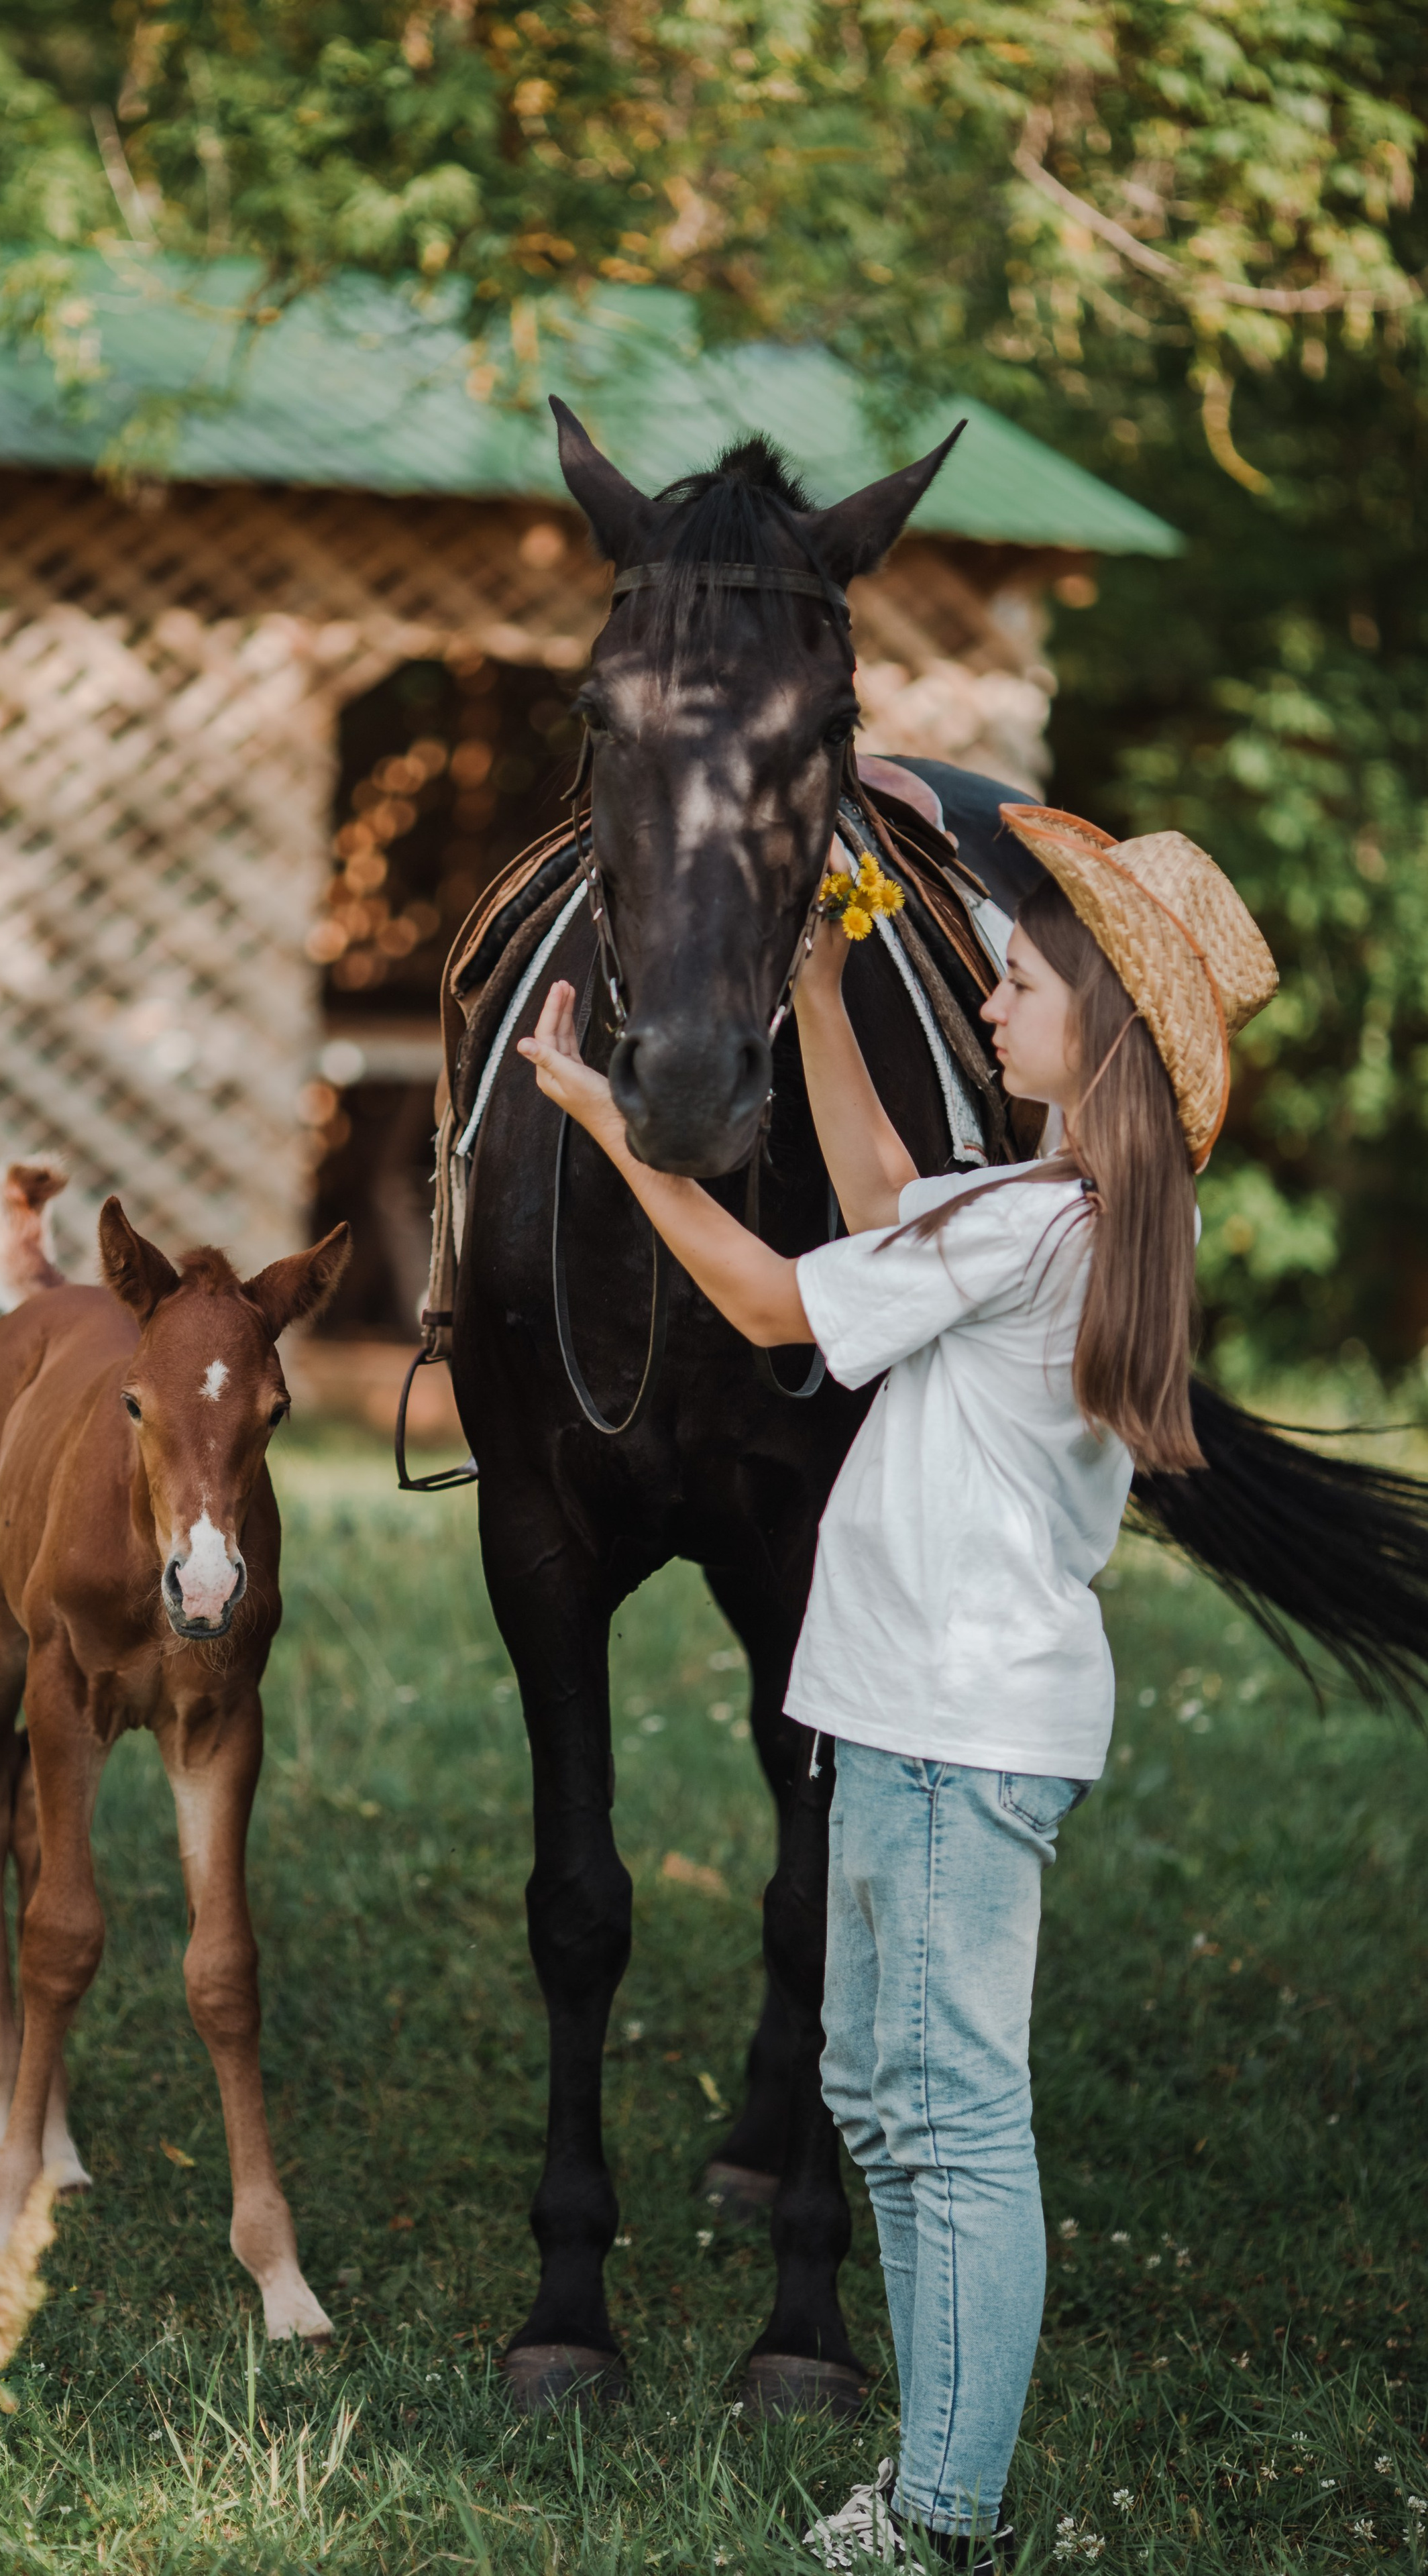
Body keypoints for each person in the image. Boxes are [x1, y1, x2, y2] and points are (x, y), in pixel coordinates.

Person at [517, 804, 1278, 2570]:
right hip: (898, 1718)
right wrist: (824, 990)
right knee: (876, 2095)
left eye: (1019, 984)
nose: (995, 1004)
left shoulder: (1041, 1228)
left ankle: (948, 2513)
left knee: (955, 2118)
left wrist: (619, 1132)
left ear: (1104, 1030)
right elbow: (874, 1208)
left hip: (953, 1736)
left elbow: (783, 1303)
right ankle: (940, 2485)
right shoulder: (1030, 1208)